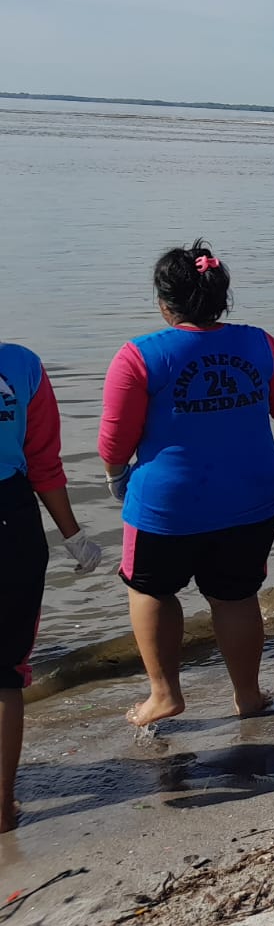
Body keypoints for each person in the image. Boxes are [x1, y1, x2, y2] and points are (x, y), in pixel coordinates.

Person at [99, 241, 274, 727]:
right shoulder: (261, 343)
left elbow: (115, 439)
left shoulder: (139, 356)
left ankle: (165, 695)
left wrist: (117, 475)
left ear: (164, 302)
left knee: (152, 591)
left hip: (168, 505)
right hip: (250, 496)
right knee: (235, 595)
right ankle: (248, 695)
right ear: (222, 296)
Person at [2, 340, 101, 832]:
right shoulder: (22, 365)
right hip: (10, 521)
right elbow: (42, 462)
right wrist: (73, 535)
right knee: (3, 673)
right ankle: (1, 807)